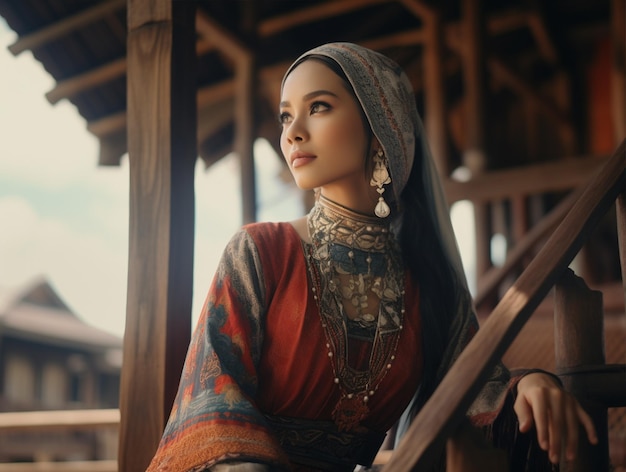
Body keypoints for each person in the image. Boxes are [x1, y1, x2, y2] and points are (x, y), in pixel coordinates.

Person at [146, 42, 597, 472]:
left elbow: (476, 387)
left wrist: (531, 385)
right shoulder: (260, 252)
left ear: (380, 126)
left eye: (318, 106)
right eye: (285, 116)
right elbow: (212, 402)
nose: (292, 132)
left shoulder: (427, 282)